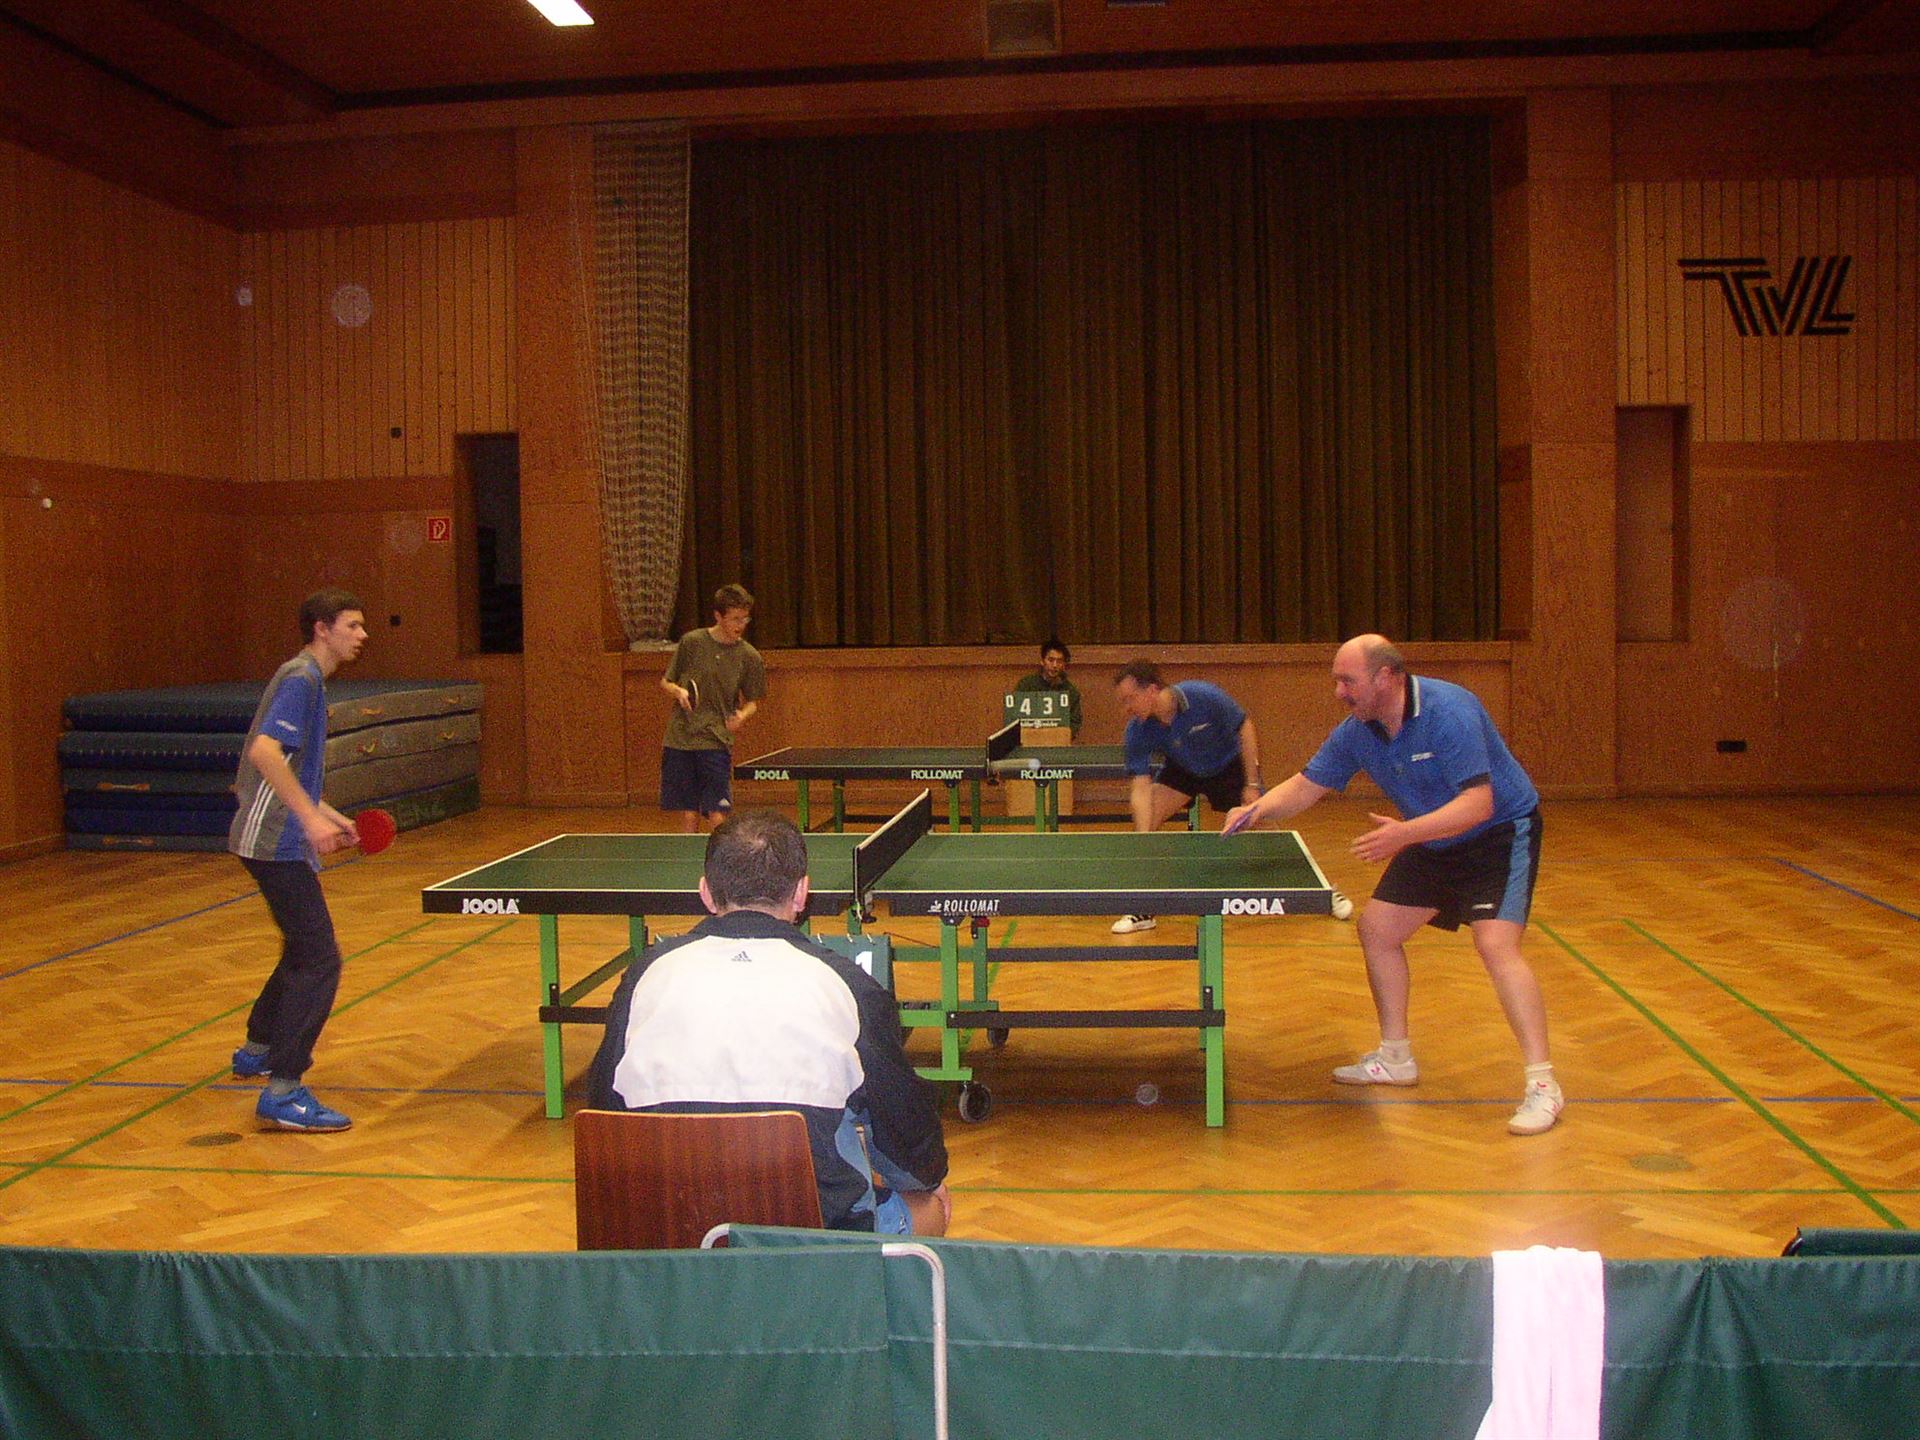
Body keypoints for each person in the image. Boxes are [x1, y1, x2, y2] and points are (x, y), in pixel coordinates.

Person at [1223, 635, 1562, 1136]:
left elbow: (1479, 804)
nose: (1338, 691)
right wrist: (1254, 812)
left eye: (1348, 681)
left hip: (1499, 833)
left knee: (1495, 945)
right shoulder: (1358, 730)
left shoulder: (1449, 711)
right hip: (1430, 835)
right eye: (1336, 681)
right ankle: (1396, 1058)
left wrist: (1404, 834)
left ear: (1386, 677)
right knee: (1378, 930)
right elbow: (1306, 785)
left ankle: (1543, 1085)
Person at [588, 810, 952, 1235]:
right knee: (930, 1204)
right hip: (811, 1241)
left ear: (706, 893)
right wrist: (926, 1181)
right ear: (801, 893)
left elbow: (603, 1108)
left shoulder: (645, 975)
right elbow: (905, 1137)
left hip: (666, 1227)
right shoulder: (849, 986)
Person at [228, 588, 368, 1132]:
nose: (362, 636)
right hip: (274, 841)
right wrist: (309, 821)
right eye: (352, 626)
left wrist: (327, 815)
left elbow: (288, 770)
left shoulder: (307, 679)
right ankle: (284, 1090)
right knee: (320, 958)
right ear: (321, 629)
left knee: (300, 947)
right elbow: (264, 754)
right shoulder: (301, 679)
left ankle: (258, 1049)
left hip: (274, 837)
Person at [660, 583, 766, 833]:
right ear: (718, 616)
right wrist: (678, 691)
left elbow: (753, 702)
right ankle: (689, 855)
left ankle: (721, 855)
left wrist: (742, 715)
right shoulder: (692, 642)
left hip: (716, 740)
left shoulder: (749, 656)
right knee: (689, 812)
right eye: (735, 619)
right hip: (681, 738)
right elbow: (666, 682)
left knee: (717, 813)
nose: (741, 625)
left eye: (745, 618)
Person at [1012, 637, 1082, 737]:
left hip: (1058, 742)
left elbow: (1075, 722)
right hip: (1029, 741)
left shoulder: (1071, 691)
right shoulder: (1026, 685)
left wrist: (1063, 736)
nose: (1055, 665)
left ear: (1064, 664)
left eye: (1059, 661)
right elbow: (1013, 717)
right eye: (1051, 660)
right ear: (1042, 661)